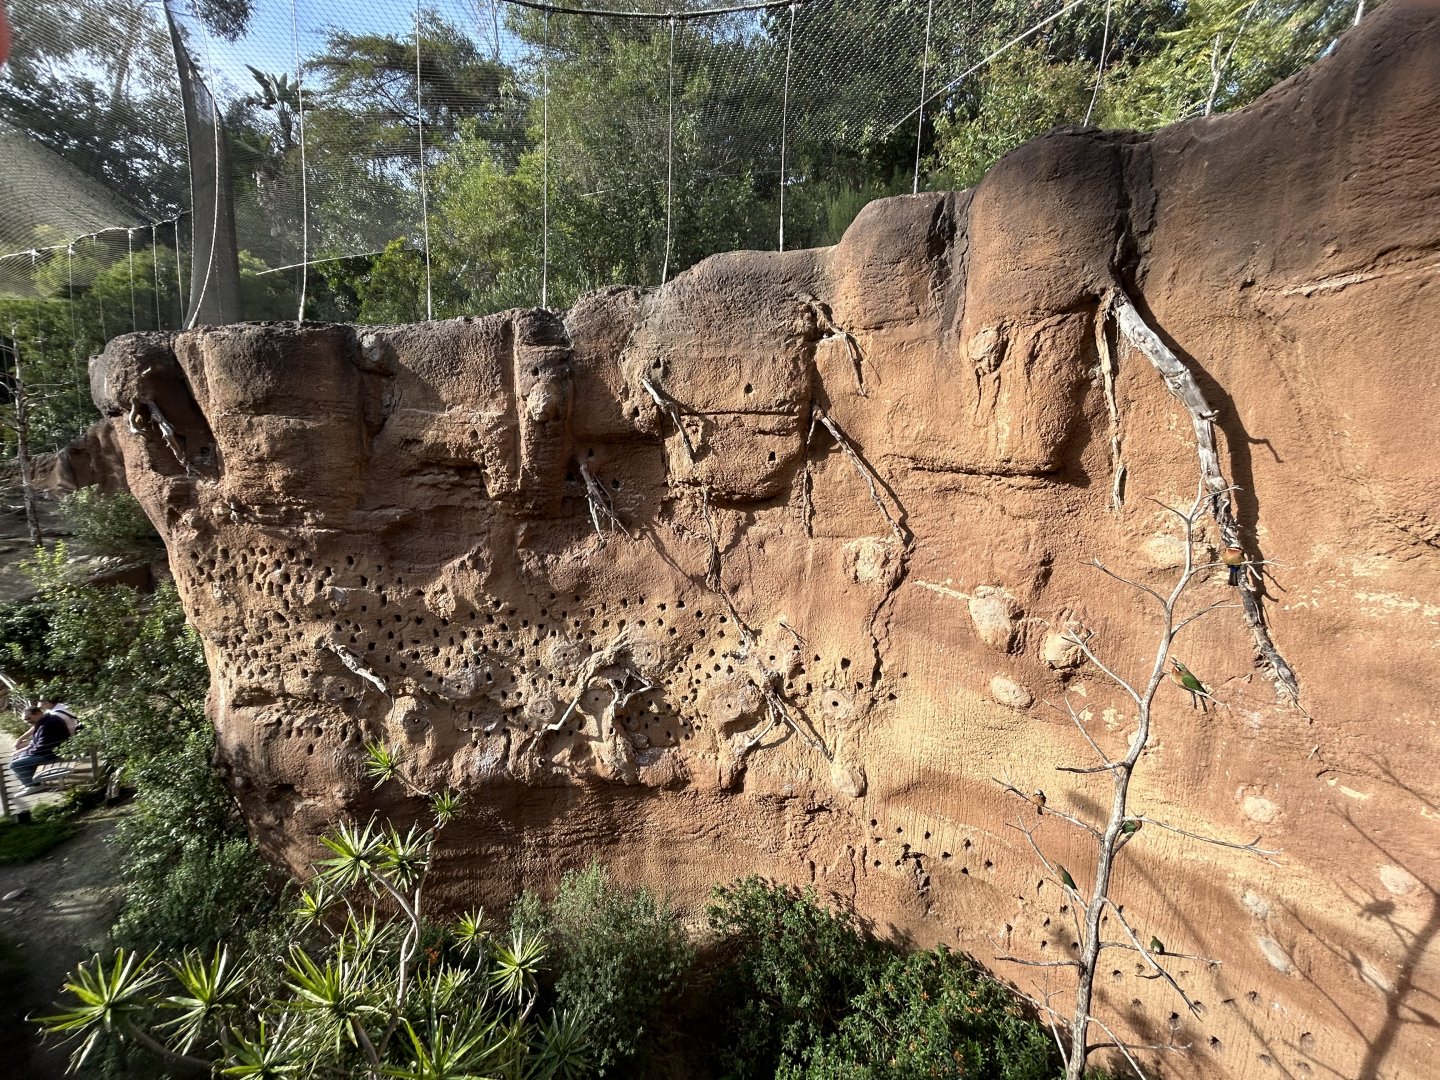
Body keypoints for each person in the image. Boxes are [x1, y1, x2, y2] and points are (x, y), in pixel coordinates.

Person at [10, 702, 73, 791]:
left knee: (15, 764)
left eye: (28, 718)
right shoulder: (43, 722)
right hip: (48, 752)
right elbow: (36, 743)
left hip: (51, 754)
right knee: (16, 758)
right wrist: (23, 752)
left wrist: (25, 754)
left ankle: (33, 786)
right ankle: (30, 782)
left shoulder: (48, 724)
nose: (27, 721)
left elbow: (42, 747)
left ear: (38, 714)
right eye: (25, 719)